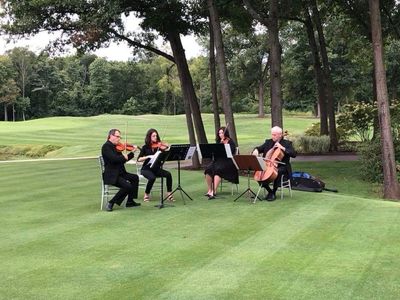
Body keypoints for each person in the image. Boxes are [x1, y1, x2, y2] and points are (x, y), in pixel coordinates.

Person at [252, 126, 296, 201]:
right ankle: (270, 191)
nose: (273, 136)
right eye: (272, 134)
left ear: (280, 135)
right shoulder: (268, 142)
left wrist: (282, 148)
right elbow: (259, 148)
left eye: (274, 135)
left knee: (277, 171)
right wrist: (256, 150)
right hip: (269, 164)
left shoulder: (287, 143)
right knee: (259, 173)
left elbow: (294, 154)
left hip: (282, 166)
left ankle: (274, 192)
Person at [101, 129, 140, 212]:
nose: (119, 139)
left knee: (135, 178)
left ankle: (130, 201)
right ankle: (111, 202)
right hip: (112, 175)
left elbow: (122, 160)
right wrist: (123, 157)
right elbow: (114, 159)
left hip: (120, 173)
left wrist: (132, 152)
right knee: (128, 186)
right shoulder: (106, 147)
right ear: (111, 136)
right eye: (117, 136)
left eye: (119, 137)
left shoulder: (116, 147)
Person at [137, 128, 174, 202]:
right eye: (153, 136)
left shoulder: (159, 147)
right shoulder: (145, 147)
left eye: (156, 136)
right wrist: (148, 156)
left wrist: (165, 147)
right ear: (149, 137)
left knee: (168, 174)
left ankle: (169, 193)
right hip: (146, 169)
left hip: (156, 169)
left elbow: (166, 153)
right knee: (152, 178)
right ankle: (146, 194)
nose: (155, 137)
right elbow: (139, 159)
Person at [204, 126, 239, 200]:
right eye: (219, 133)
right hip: (218, 161)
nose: (220, 135)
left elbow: (232, 151)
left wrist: (226, 146)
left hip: (228, 162)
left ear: (225, 133)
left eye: (222, 133)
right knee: (207, 169)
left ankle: (214, 191)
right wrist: (220, 145)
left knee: (218, 170)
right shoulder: (218, 142)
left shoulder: (230, 141)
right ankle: (209, 190)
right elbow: (215, 153)